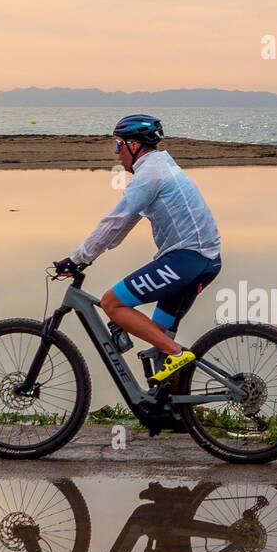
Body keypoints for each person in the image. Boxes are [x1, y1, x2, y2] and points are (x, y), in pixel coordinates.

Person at [55, 115, 221, 384]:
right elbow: (123, 224)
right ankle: (174, 411)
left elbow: (115, 221)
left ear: (133, 145)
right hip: (204, 260)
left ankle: (177, 354)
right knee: (158, 337)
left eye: (119, 145)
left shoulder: (149, 175)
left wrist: (77, 259)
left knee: (112, 302)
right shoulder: (161, 166)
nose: (116, 153)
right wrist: (89, 256)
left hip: (188, 259)